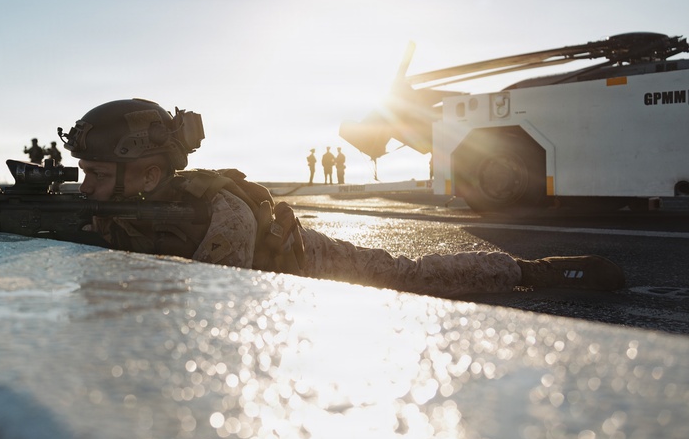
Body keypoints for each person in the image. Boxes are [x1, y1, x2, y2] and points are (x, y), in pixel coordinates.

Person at [57, 99, 624, 298]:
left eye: (99, 175)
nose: (88, 188)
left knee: (413, 277)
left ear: (150, 174)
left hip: (308, 264)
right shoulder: (132, 204)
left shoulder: (215, 217)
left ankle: (536, 271)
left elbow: (209, 320)